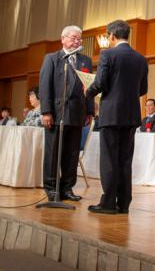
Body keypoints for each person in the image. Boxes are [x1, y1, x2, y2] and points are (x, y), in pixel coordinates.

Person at [86, 19, 148, 215]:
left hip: (111, 114)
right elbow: (143, 89)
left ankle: (108, 203)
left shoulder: (108, 54)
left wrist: (87, 91)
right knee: (125, 160)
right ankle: (124, 203)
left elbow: (100, 83)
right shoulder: (140, 58)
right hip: (131, 115)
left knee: (109, 159)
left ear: (111, 36)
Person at [39, 26, 92, 202]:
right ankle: (51, 188)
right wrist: (46, 111)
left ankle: (67, 188)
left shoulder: (85, 61)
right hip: (56, 113)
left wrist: (90, 111)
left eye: (79, 39)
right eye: (73, 38)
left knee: (72, 154)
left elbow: (89, 87)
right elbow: (45, 86)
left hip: (77, 113)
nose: (77, 41)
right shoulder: (52, 58)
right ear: (63, 39)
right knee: (53, 153)